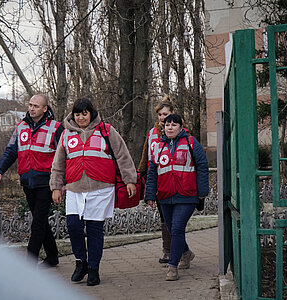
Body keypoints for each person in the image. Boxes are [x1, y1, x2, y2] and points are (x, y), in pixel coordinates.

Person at [50, 98, 137, 286]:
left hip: (101, 189)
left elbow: (123, 155)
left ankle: (93, 269)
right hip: (74, 189)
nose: (81, 117)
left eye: (84, 113)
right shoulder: (66, 134)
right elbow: (58, 164)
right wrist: (56, 187)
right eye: (77, 114)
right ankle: (81, 262)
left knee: (94, 229)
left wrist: (130, 180)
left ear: (91, 113)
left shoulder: (106, 130)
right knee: (73, 226)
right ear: (73, 115)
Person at [0, 93, 63, 267]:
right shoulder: (21, 127)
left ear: (45, 109)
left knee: (37, 223)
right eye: (30, 105)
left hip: (47, 182)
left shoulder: (56, 128)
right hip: (27, 182)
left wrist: (61, 184)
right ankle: (53, 257)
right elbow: (11, 151)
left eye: (36, 106)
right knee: (41, 220)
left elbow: (64, 157)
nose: (31, 108)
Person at [144, 114, 209, 281]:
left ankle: (172, 267)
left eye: (174, 124)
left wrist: (202, 191)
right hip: (165, 195)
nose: (170, 127)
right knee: (172, 230)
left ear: (181, 127)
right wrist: (150, 195)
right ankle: (186, 253)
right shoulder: (157, 147)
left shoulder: (190, 142)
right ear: (163, 127)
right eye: (167, 124)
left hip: (187, 195)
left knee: (178, 228)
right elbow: (152, 173)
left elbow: (202, 166)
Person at [137, 96, 175, 264]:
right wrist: (141, 174)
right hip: (158, 178)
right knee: (164, 216)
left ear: (172, 113)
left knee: (176, 218)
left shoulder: (179, 130)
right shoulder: (152, 133)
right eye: (160, 114)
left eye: (165, 114)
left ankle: (179, 249)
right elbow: (146, 154)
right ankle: (167, 250)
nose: (162, 117)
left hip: (175, 179)